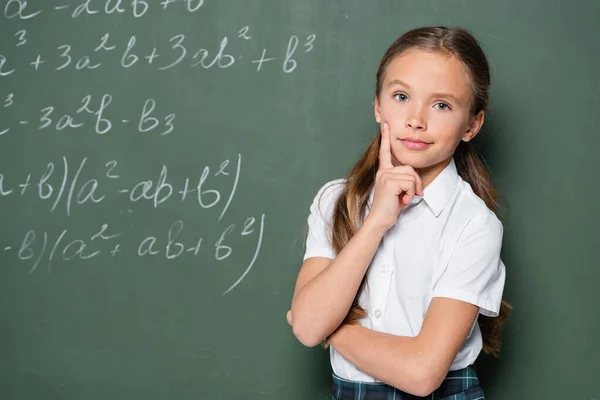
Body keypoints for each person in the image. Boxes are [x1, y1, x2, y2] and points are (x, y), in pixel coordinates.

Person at [286, 26, 512, 399]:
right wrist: (376, 222)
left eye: (442, 105)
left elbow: (422, 374)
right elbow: (307, 328)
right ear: (378, 105)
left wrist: (332, 328)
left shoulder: (474, 224)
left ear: (472, 124)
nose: (416, 119)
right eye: (402, 96)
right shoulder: (336, 201)